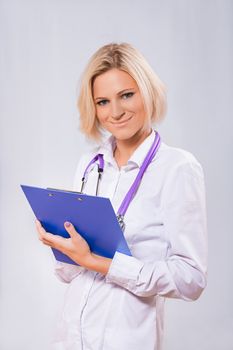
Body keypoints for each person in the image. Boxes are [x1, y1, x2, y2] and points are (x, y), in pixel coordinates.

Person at [36, 42, 208, 350]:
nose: (115, 112)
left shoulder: (178, 168)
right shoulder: (90, 165)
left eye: (126, 95)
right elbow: (72, 272)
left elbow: (191, 279)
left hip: (126, 339)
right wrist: (60, 243)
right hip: (70, 337)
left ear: (147, 92)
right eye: (103, 101)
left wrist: (102, 263)